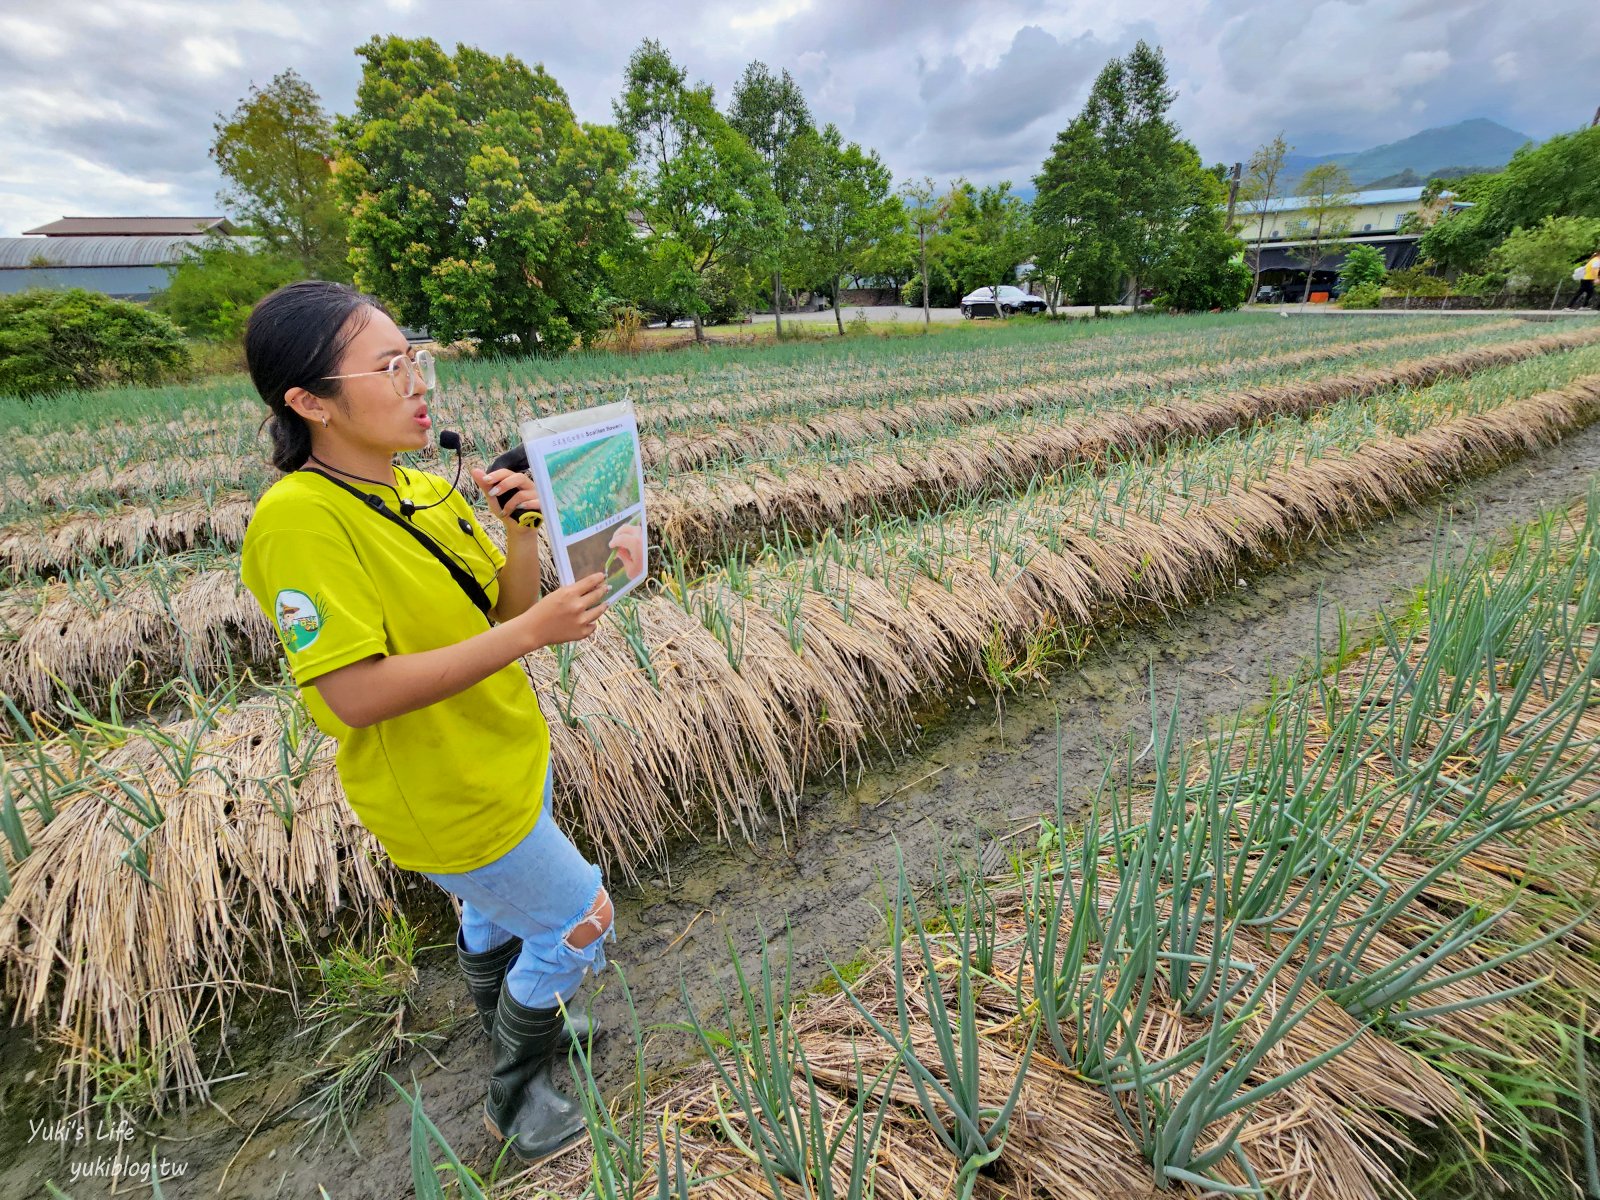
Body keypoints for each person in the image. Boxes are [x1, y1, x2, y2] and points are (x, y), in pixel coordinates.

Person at [238, 280, 614, 1163]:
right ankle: (516, 1098)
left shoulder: (424, 488)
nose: (418, 384)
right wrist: (530, 631)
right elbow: (353, 695)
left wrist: (521, 531)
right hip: (441, 789)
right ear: (307, 402)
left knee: (493, 916)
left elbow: (499, 613)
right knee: (582, 918)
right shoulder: (298, 520)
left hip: (505, 753)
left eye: (417, 360)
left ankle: (513, 1021)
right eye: (389, 366)